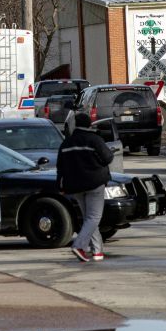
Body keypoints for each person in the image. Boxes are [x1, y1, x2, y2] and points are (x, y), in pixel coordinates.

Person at [56, 112, 114, 262]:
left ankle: (97, 251)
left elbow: (60, 167)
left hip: (74, 186)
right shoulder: (94, 140)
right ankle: (79, 245)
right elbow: (108, 157)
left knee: (89, 219)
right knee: (94, 217)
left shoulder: (66, 143)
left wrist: (60, 185)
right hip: (94, 183)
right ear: (90, 124)